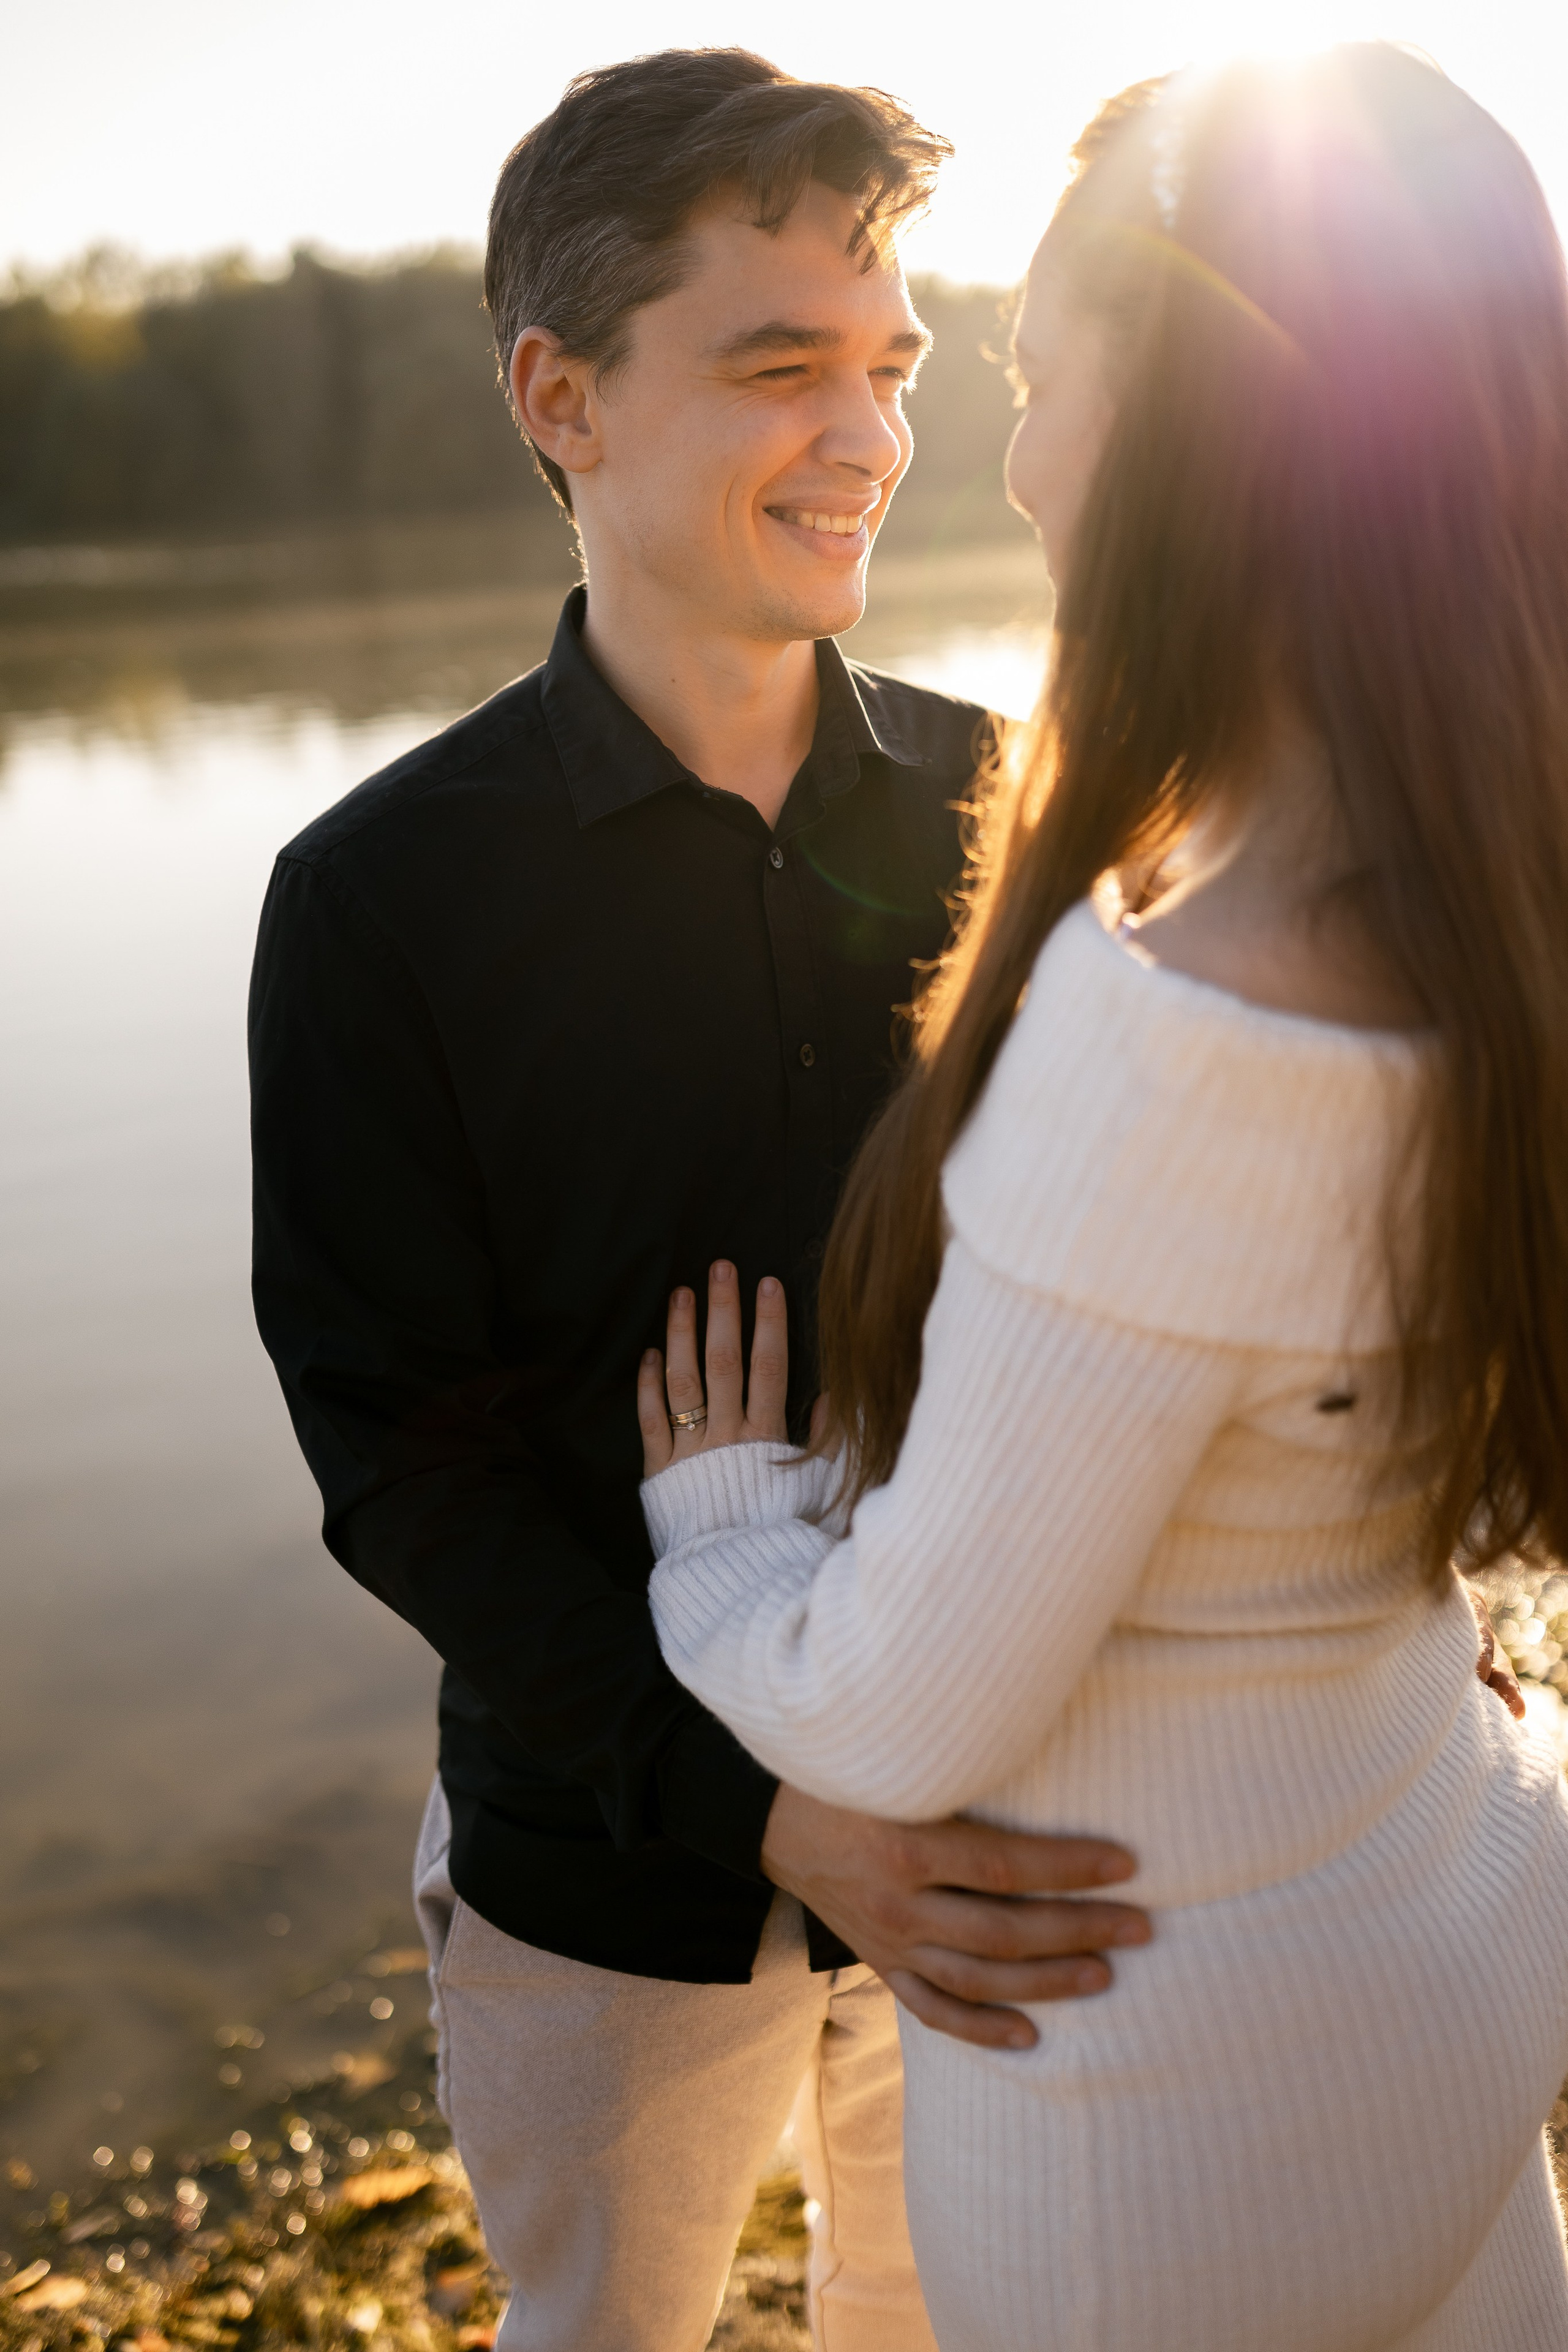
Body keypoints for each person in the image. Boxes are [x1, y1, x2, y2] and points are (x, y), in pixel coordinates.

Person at [639, 45, 1568, 2350]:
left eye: (1049, 377)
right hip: (1450, 1937)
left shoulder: (1178, 1040)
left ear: (1210, 436)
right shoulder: (1504, 905)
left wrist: (728, 1529)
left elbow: (898, 1718)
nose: (1014, 458)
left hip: (1173, 2122)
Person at [247, 49, 1154, 2352]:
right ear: (560, 395)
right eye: (779, 371)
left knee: (955, 2325)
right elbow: (397, 1463)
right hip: (596, 1862)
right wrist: (753, 1809)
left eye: (892, 370)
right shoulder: (377, 902)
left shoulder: (1022, 812)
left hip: (986, 1830)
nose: (865, 438)